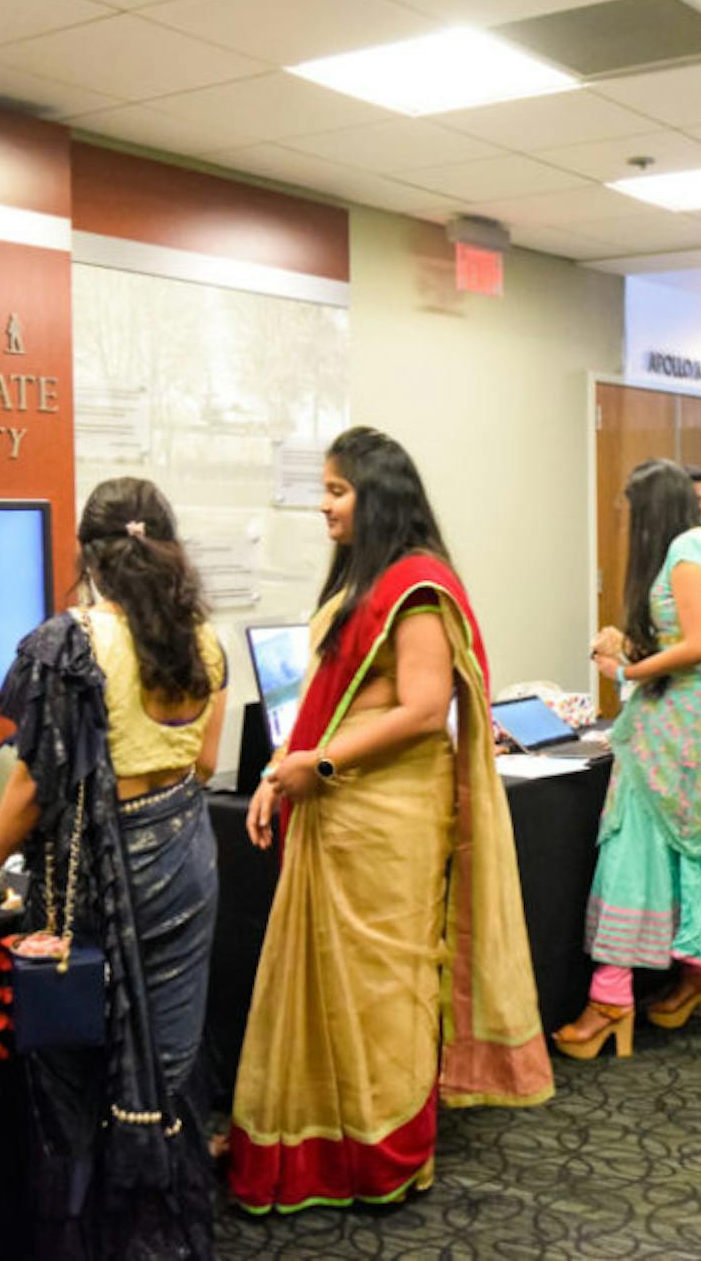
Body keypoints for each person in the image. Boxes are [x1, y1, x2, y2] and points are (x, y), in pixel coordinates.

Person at [231, 427, 551, 1206]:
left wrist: (320, 766)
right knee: (328, 984)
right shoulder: (364, 582)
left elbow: (423, 708)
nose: (324, 506)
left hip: (388, 818)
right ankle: (321, 1146)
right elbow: (328, 700)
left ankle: (386, 1154)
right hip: (337, 809)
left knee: (383, 989)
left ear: (376, 498)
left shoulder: (416, 587)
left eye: (337, 491)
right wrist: (280, 770)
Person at [0, 477, 227, 1256]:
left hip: (106, 869)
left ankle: (95, 1238)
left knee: (83, 1061)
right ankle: (166, 1235)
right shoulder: (204, 640)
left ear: (87, 554)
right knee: (168, 1058)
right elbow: (205, 763)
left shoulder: (71, 643)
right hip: (187, 856)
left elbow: (32, 787)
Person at [556, 459, 701, 1059]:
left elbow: (697, 645)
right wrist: (631, 647)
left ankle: (610, 998)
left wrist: (626, 670)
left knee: (633, 850)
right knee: (694, 847)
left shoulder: (686, 552)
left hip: (675, 732)